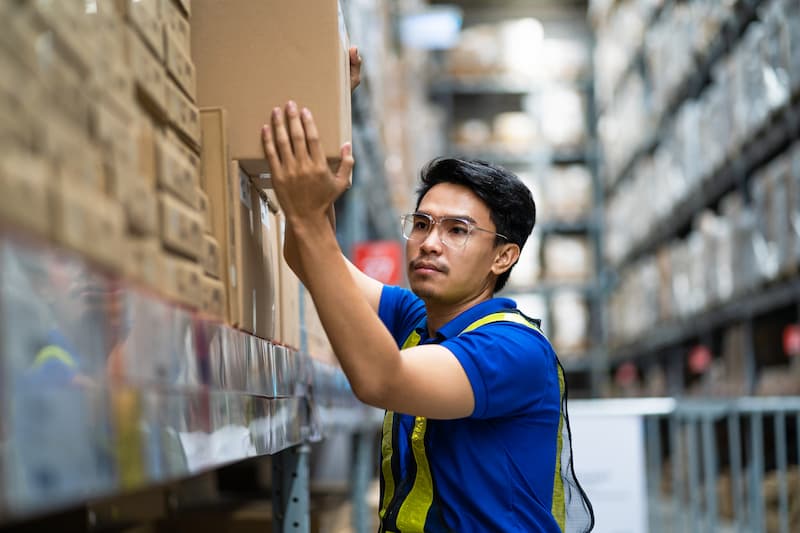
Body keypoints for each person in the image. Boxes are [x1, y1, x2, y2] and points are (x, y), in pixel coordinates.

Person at [261, 48, 593, 533]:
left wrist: (311, 218)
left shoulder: (512, 349)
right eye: (421, 223)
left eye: (457, 230)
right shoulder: (417, 316)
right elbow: (312, 261)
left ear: (504, 256)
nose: (429, 243)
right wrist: (330, 117)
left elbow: (381, 380)